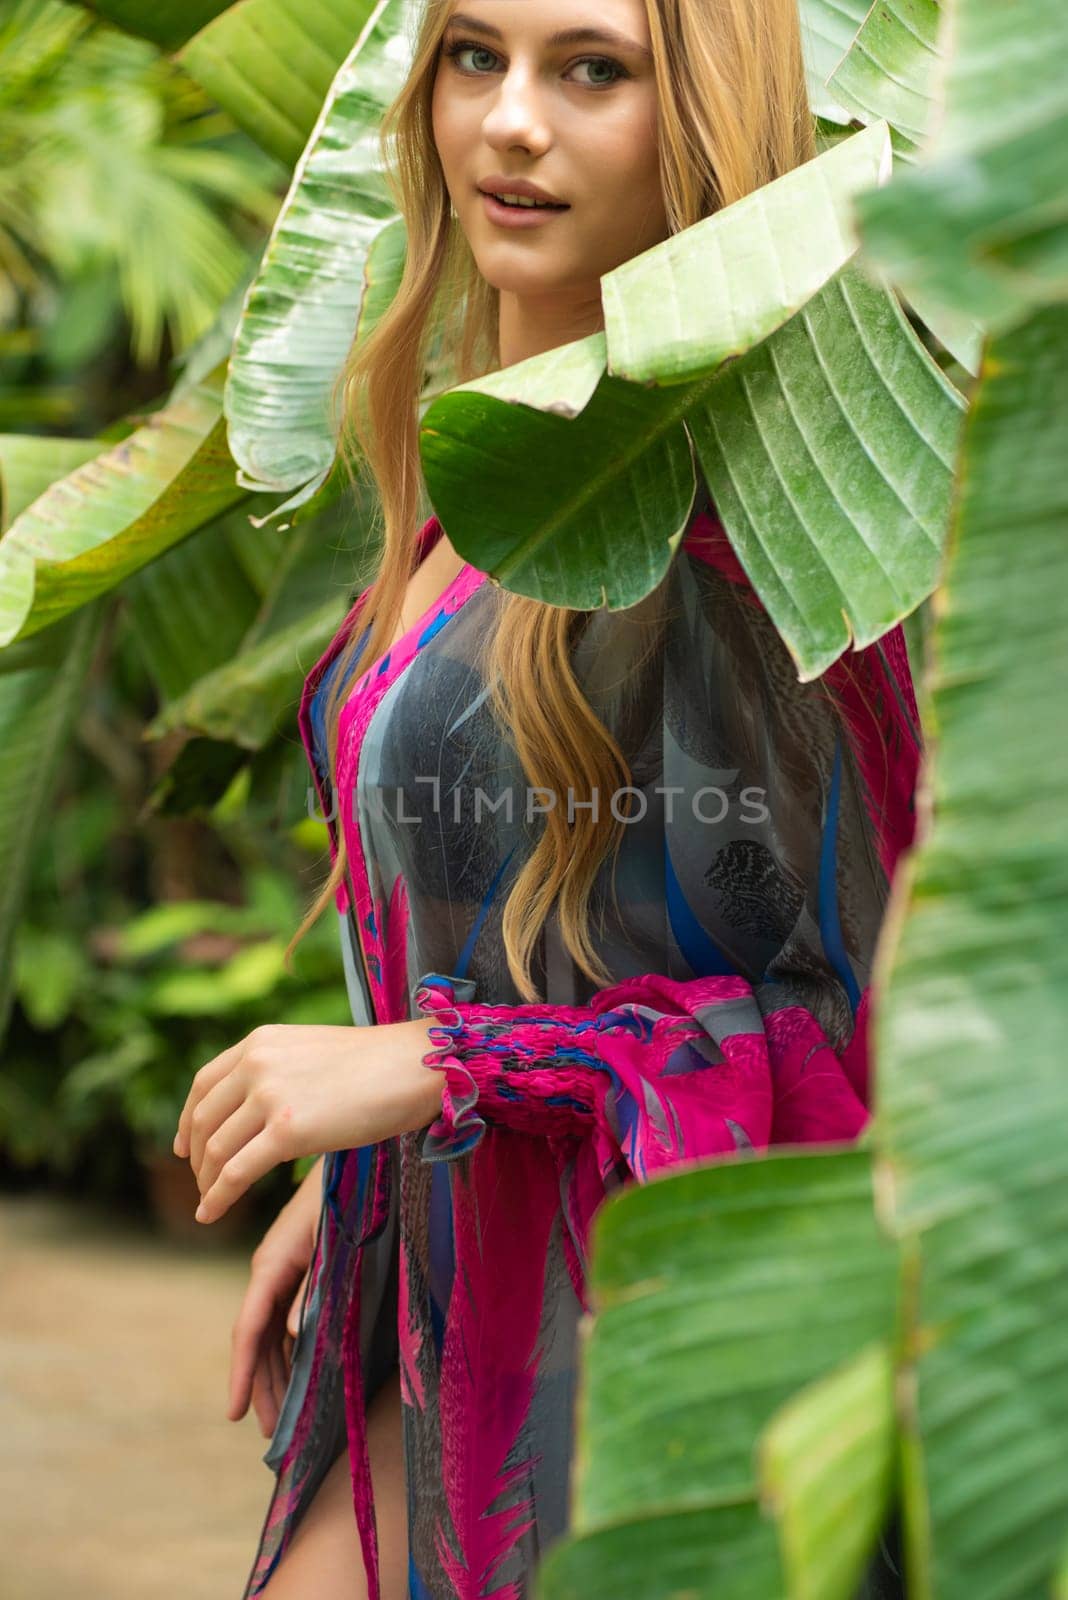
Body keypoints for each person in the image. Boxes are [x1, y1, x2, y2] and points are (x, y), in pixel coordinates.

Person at [173, 1, 921, 1596]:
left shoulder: (744, 544)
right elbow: (526, 918)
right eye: (472, 56)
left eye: (593, 70)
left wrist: (436, 1068)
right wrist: (366, 1164)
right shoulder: (490, 476)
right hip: (439, 1308)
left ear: (705, 122)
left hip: (636, 1383)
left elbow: (839, 1050)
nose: (510, 122)